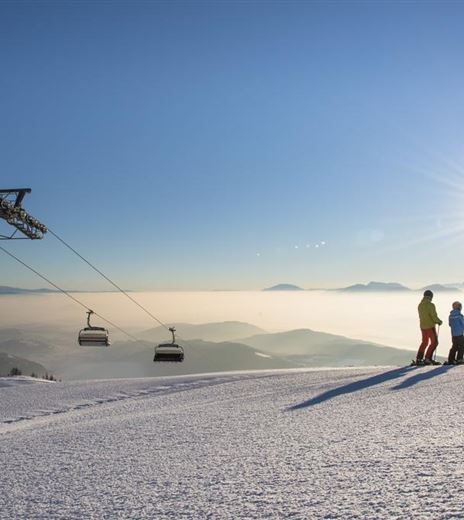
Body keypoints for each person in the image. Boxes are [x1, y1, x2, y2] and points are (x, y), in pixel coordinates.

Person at [416, 289, 442, 365]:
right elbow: (433, 316)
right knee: (434, 342)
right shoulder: (431, 305)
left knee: (424, 342)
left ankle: (419, 358)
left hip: (422, 327)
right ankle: (428, 359)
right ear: (431, 296)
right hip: (430, 326)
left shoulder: (420, 305)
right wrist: (439, 321)